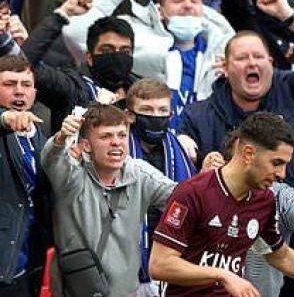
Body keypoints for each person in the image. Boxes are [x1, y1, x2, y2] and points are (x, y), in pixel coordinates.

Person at [150, 112, 294, 296]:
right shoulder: (192, 192)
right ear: (248, 153)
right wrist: (222, 275)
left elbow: (281, 257)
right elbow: (159, 265)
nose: (282, 174)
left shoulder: (263, 200)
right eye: (276, 163)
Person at [62, 0, 235, 126]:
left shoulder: (222, 48)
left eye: (194, 0)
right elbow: (74, 33)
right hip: (151, 141)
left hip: (203, 143)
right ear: (160, 10)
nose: (188, 5)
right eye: (178, 0)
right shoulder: (137, 35)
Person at [41, 104, 176, 297]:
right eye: (106, 136)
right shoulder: (72, 176)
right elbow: (51, 160)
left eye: (121, 135)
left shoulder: (139, 173)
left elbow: (183, 199)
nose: (116, 142)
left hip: (127, 292)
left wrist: (206, 177)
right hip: (76, 293)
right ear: (86, 145)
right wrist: (61, 138)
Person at [177, 30, 294, 186]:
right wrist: (202, 176)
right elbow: (182, 185)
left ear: (270, 62)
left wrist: (291, 19)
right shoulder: (197, 117)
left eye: (258, 57)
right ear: (224, 67)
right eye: (242, 58)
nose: (252, 63)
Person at [123, 77, 196, 293]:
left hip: (170, 259)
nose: (155, 117)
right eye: (147, 110)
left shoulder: (180, 151)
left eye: (162, 110)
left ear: (171, 115)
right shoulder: (116, 149)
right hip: (126, 266)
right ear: (130, 115)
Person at [25, 14, 144, 131]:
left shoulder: (141, 90)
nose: (118, 56)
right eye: (107, 50)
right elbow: (24, 66)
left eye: (125, 51)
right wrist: (59, 16)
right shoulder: (70, 86)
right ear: (90, 58)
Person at [0, 55, 51, 296]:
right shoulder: (8, 122)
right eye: (9, 84)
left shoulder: (37, 131)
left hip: (26, 262)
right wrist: (5, 118)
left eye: (26, 85)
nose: (19, 91)